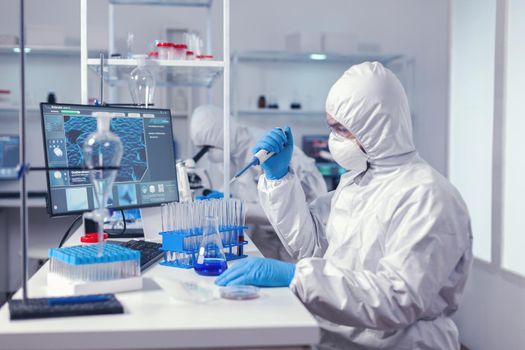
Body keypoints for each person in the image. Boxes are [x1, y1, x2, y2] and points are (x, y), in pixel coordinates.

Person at [216, 62, 473, 350]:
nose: (333, 140)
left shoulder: (427, 197)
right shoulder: (357, 182)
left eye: (342, 130)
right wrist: (279, 179)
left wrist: (295, 277)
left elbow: (397, 300)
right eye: (331, 127)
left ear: (377, 128)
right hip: (339, 337)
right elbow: (311, 246)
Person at [190, 105, 327, 262]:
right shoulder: (231, 152)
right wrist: (225, 197)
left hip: (301, 235)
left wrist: (238, 208)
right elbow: (244, 189)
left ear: (220, 137)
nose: (207, 154)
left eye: (207, 148)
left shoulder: (263, 152)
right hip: (266, 233)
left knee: (291, 275)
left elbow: (286, 208)